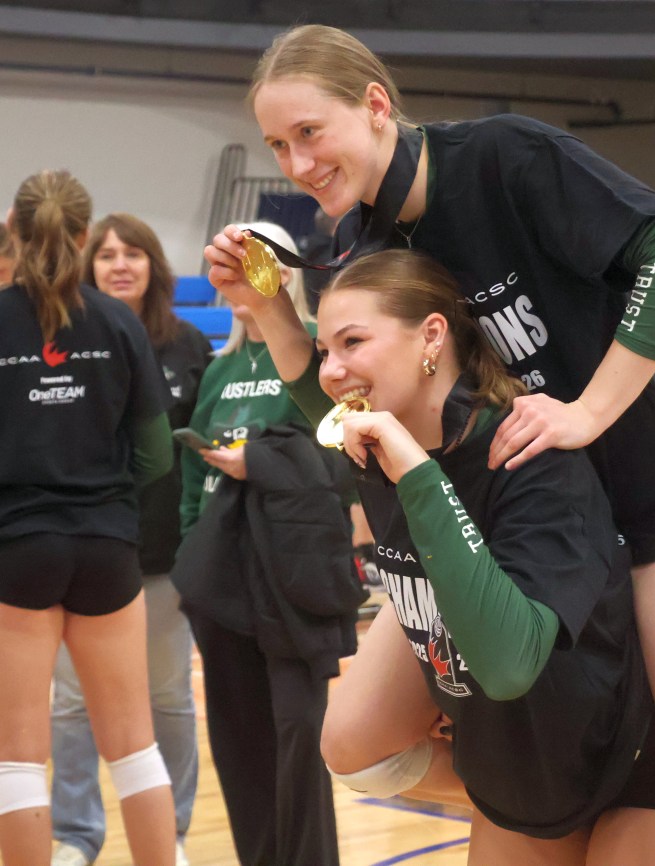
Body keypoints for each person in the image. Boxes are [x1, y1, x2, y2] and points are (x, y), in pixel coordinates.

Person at [205, 25, 655, 866]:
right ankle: (572, 798)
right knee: (357, 743)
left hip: (650, 509)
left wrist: (586, 411)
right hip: (509, 525)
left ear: (375, 105)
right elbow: (349, 405)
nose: (297, 163)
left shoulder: (503, 159)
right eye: (277, 145)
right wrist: (269, 312)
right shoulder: (370, 243)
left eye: (309, 132)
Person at [313, 248, 655, 863]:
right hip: (530, 772)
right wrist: (264, 309)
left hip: (635, 759)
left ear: (431, 335)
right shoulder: (379, 446)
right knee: (352, 751)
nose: (330, 371)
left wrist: (419, 478)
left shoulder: (530, 460)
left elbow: (509, 666)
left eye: (351, 342)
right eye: (323, 350)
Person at [0, 170, 176, 866]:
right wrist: (102, 495)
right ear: (83, 235)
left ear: (14, 232)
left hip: (19, 548)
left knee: (18, 755)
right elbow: (157, 455)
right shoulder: (118, 321)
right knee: (133, 746)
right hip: (107, 546)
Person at [174, 221, 355, 866]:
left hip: (293, 568)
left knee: (299, 731)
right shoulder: (219, 370)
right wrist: (190, 553)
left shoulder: (312, 353)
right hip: (224, 572)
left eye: (258, 262)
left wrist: (260, 462)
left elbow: (340, 458)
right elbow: (191, 475)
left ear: (284, 274)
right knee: (239, 741)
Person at [48, 214, 211, 866]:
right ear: (86, 267)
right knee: (70, 701)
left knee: (168, 697)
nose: (120, 265)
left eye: (133, 253)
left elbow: (199, 453)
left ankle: (172, 833)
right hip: (81, 550)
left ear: (153, 266)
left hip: (161, 553)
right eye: (107, 254)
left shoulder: (188, 344)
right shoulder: (63, 342)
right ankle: (75, 836)